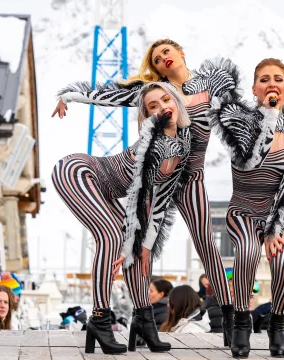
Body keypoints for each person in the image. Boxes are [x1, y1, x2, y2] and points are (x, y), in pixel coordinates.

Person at [54, 39, 236, 346]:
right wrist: (69, 95)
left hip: (189, 177)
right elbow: (110, 94)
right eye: (156, 58)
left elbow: (237, 113)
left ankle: (231, 317)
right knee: (136, 248)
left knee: (205, 242)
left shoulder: (207, 84)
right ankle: (134, 318)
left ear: (181, 52)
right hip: (153, 176)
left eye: (167, 52)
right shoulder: (156, 94)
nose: (162, 58)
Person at [53, 82, 191, 354]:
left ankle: (144, 319)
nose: (163, 107)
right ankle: (100, 319)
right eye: (153, 106)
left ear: (176, 102)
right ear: (148, 116)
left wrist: (146, 246)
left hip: (105, 188)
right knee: (113, 237)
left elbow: (160, 201)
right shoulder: (153, 143)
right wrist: (66, 96)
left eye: (166, 100)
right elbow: (139, 198)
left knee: (138, 253)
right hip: (78, 170)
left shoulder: (184, 143)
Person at [207, 57, 284, 358]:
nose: (271, 83)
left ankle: (277, 323)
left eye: (277, 78)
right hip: (244, 208)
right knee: (248, 253)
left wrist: (273, 226)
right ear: (254, 88)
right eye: (264, 79)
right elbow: (249, 161)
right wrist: (270, 117)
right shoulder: (237, 118)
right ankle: (241, 322)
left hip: (282, 207)